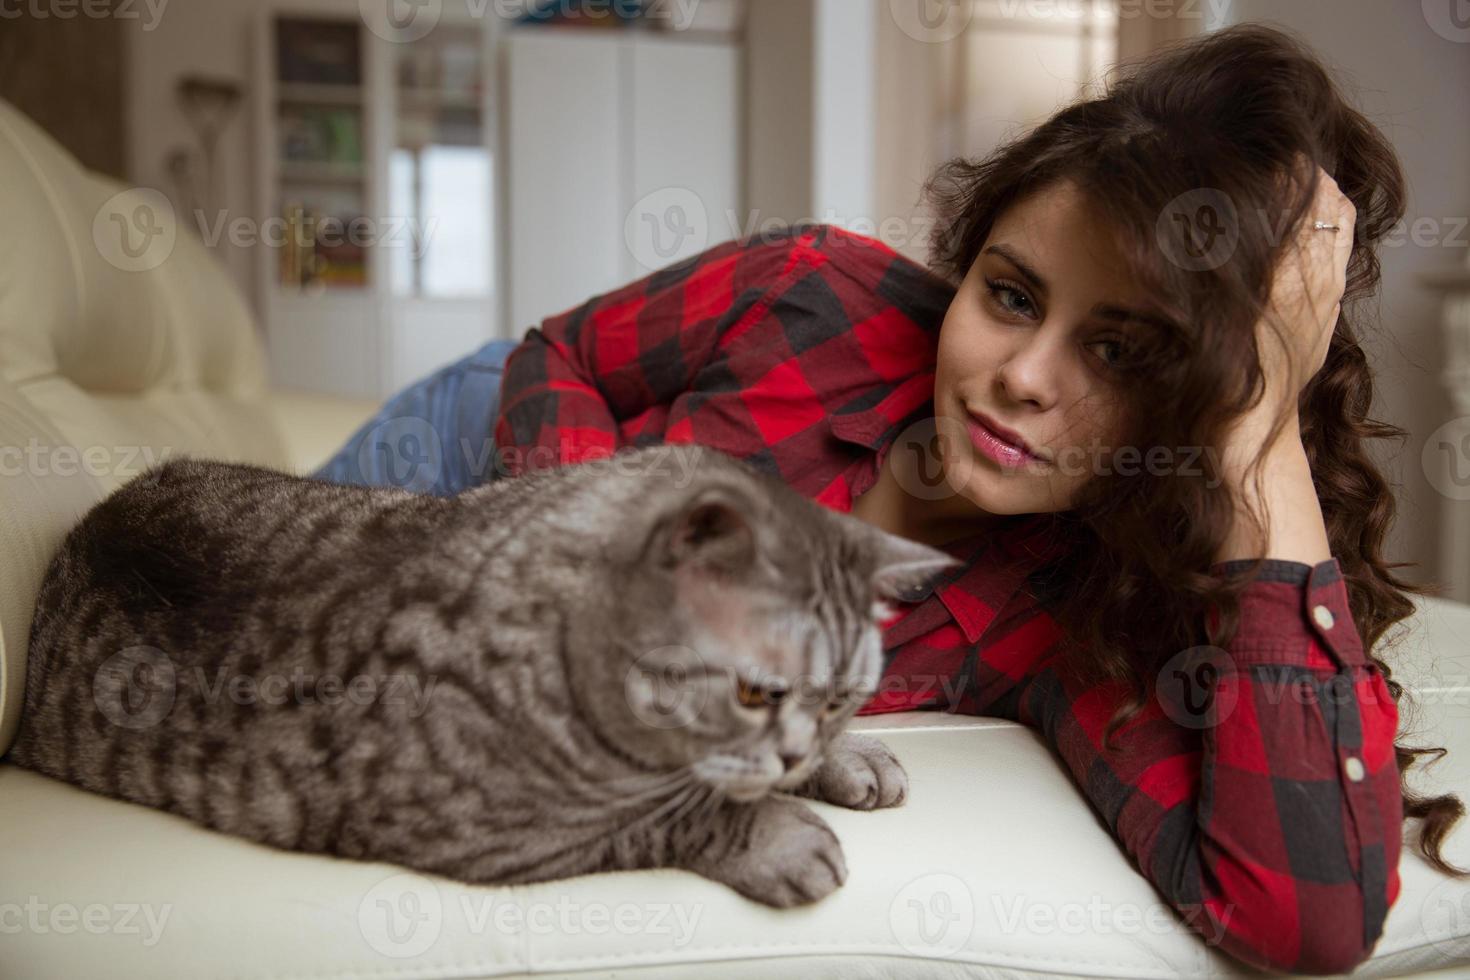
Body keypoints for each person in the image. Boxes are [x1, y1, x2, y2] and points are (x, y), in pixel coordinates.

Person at [313, 24, 1464, 974]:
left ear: (1195, 403)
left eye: (1119, 354)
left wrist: (1263, 448)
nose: (1022, 374)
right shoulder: (816, 290)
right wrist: (605, 558)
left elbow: (1302, 918)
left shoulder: (1068, 618)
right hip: (459, 455)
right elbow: (557, 356)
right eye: (1010, 295)